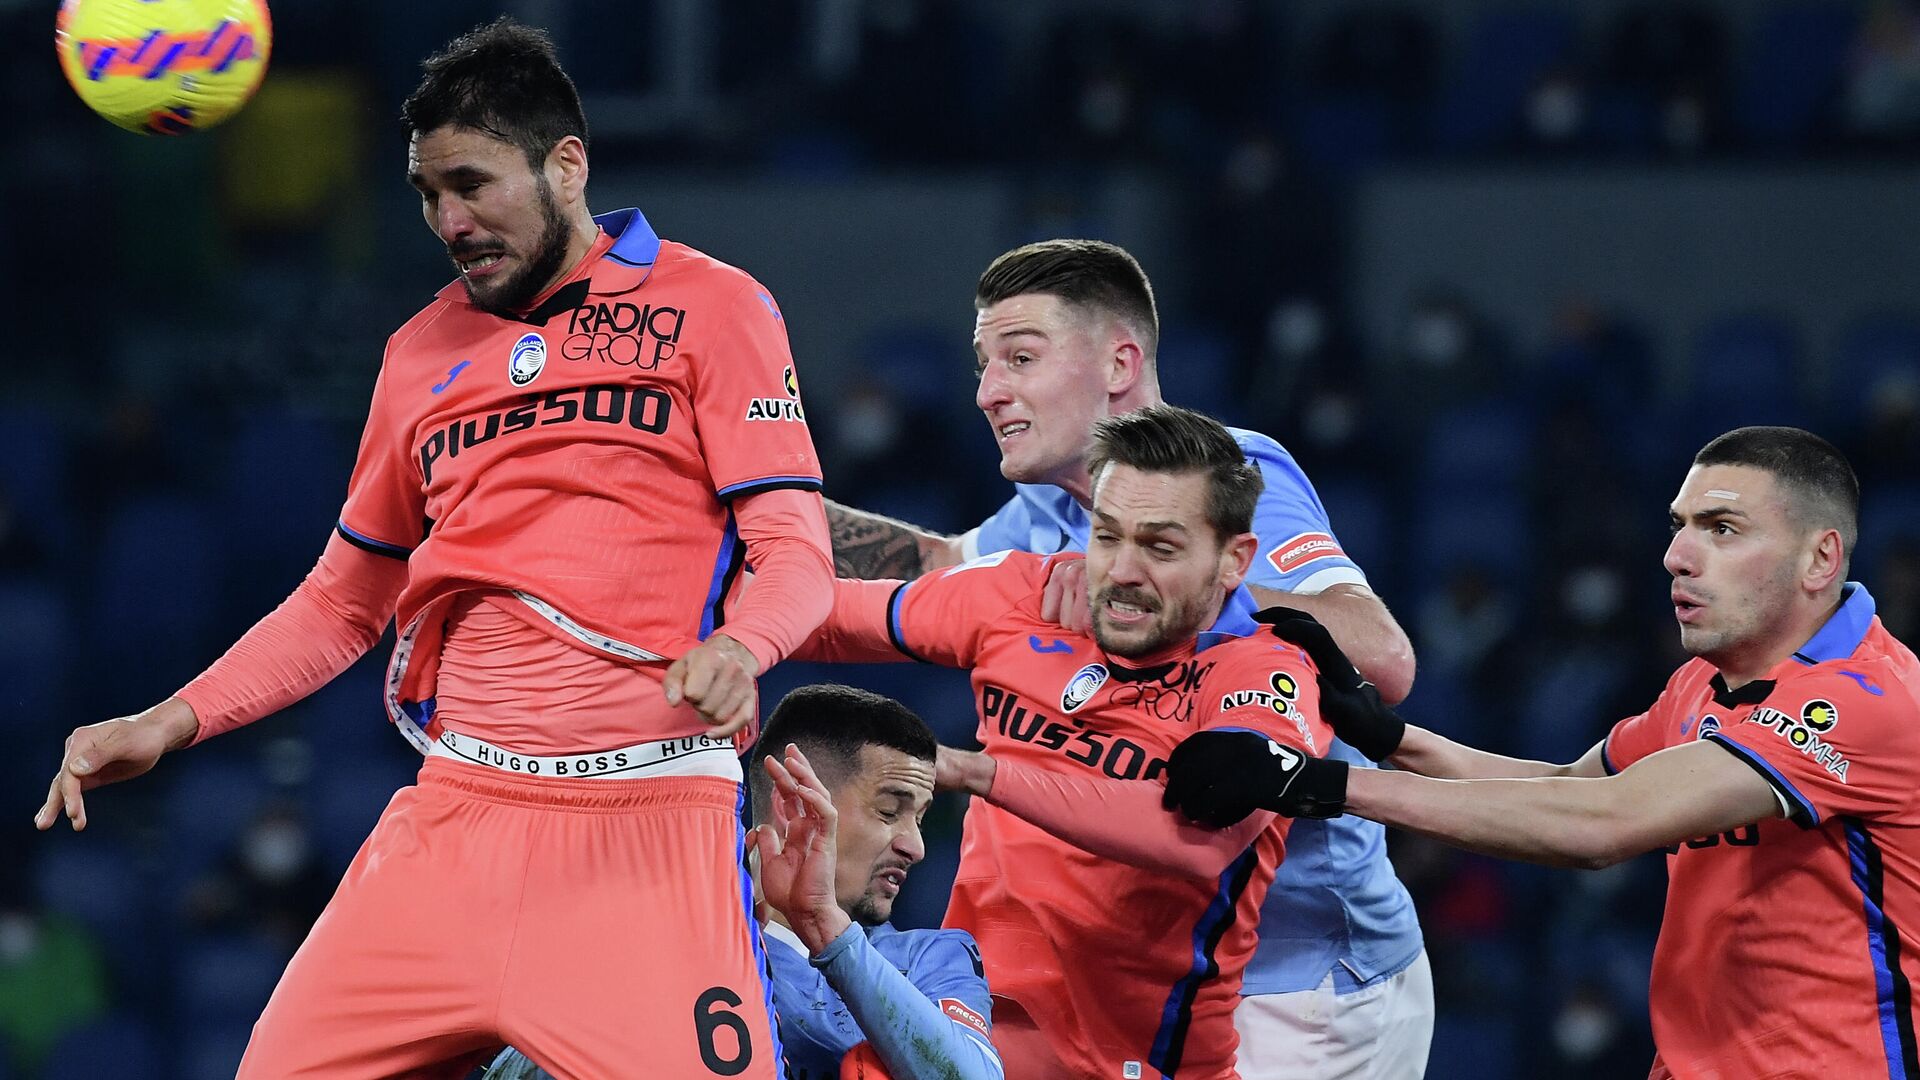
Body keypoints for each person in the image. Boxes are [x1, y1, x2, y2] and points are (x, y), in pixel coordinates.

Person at [34, 19, 833, 1079]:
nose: (448, 220)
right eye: (425, 195)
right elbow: (344, 601)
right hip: (453, 822)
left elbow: (796, 552)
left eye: (472, 183)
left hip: (645, 834)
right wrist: (169, 721)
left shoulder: (717, 308)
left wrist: (743, 648)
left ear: (566, 165)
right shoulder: (418, 353)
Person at [823, 240, 1430, 1076]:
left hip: (1301, 984)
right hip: (1144, 982)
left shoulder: (1229, 472)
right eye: (983, 363)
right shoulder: (1048, 507)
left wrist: (1147, 583)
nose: (988, 391)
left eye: (1021, 358)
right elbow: (930, 568)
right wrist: (757, 499)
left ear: (1118, 363)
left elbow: (1381, 658)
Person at [1166, 426, 1920, 1079]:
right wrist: (1389, 739)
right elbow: (1566, 783)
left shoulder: (1861, 703)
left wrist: (1318, 784)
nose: (1678, 556)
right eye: (1677, 524)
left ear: (1821, 559)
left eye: (1721, 529)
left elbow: (1601, 826)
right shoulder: (1705, 683)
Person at [800, 404, 1338, 1080]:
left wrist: (984, 774)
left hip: (1132, 1064)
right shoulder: (1021, 595)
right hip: (966, 1035)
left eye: (1160, 547)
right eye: (1107, 538)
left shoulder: (1265, 675)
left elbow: (1194, 841)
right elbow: (818, 619)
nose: (1122, 571)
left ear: (1234, 560)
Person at [486, 683, 1003, 1080]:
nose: (916, 845)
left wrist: (827, 930)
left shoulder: (932, 960)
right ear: (796, 804)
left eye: (922, 817)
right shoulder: (660, 936)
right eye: (891, 810)